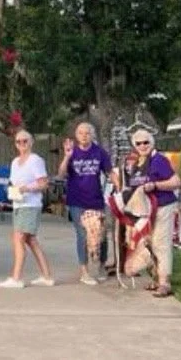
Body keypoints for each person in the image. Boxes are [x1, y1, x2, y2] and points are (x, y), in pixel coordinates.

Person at [58, 122, 118, 286]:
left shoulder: (99, 152)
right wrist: (67, 157)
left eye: (87, 133)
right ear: (76, 136)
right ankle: (84, 271)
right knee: (83, 234)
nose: (84, 136)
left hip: (96, 199)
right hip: (76, 200)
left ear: (92, 135)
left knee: (101, 233)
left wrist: (121, 188)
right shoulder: (72, 152)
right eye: (80, 133)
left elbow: (110, 172)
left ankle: (101, 265)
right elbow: (61, 174)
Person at [126, 129, 181, 298]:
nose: (142, 146)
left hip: (163, 205)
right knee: (149, 243)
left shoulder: (159, 160)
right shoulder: (137, 163)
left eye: (146, 142)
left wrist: (156, 185)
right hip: (144, 210)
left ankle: (165, 283)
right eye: (139, 143)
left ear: (152, 143)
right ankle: (157, 278)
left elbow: (176, 182)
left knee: (161, 243)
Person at [0, 130, 54, 289]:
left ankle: (16, 278)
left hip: (30, 205)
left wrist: (27, 189)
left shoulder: (36, 160)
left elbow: (44, 184)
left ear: (31, 142)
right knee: (30, 240)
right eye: (18, 142)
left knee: (18, 238)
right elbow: (13, 182)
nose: (22, 144)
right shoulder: (15, 162)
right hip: (18, 204)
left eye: (25, 141)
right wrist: (13, 191)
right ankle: (46, 276)